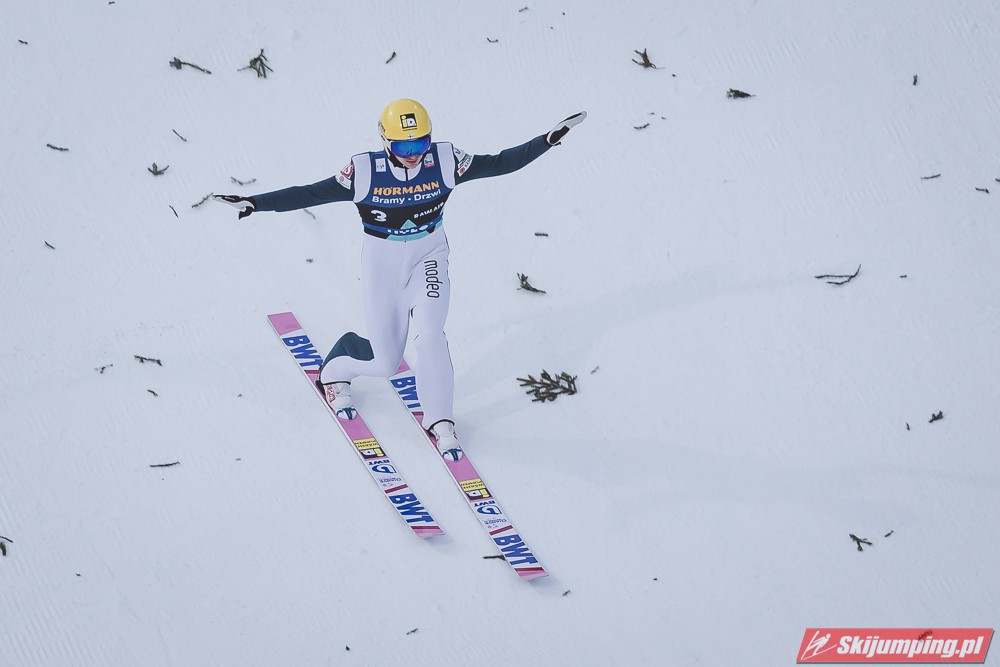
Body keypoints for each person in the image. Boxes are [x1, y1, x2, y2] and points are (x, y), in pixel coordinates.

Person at [215, 99, 585, 460]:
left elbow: (501, 162)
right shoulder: (364, 172)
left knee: (432, 333)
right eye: (404, 146)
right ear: (385, 141)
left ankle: (440, 420)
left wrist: (546, 141)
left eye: (421, 143)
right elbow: (310, 193)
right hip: (383, 264)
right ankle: (335, 371)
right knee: (386, 364)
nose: (413, 154)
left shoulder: (445, 160)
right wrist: (256, 202)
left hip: (429, 255)